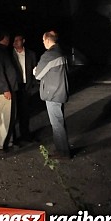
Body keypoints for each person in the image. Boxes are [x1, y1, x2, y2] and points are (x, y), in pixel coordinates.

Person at [34, 30, 71, 159]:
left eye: (43, 40)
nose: (43, 42)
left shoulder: (49, 55)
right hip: (61, 91)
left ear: (48, 40)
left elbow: (38, 75)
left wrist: (35, 71)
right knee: (60, 121)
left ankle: (62, 152)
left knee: (56, 124)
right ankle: (63, 149)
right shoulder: (62, 52)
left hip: (52, 93)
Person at [0, 30, 19, 154]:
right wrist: (5, 89)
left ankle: (7, 142)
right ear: (4, 38)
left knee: (9, 117)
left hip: (7, 89)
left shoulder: (2, 51)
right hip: (3, 91)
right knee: (3, 117)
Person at [12, 33, 38, 142]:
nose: (15, 42)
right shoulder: (10, 55)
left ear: (23, 41)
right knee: (14, 113)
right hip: (14, 87)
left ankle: (25, 135)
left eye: (18, 40)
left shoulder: (31, 54)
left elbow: (34, 69)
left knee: (25, 112)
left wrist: (33, 84)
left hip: (26, 86)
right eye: (14, 40)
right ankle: (13, 138)